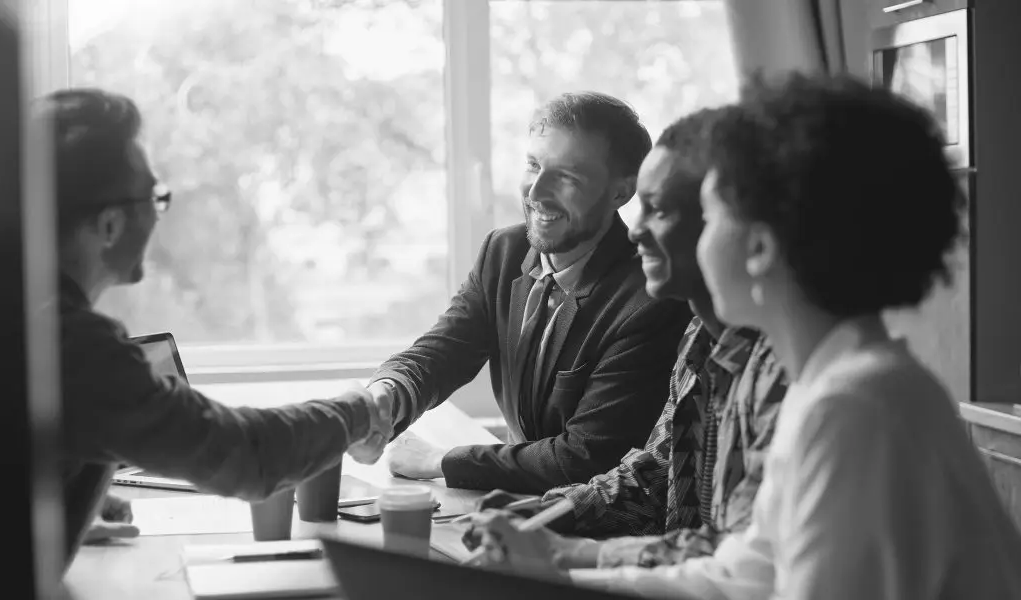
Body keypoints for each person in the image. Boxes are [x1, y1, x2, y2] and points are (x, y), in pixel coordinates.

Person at [484, 73, 1021, 598]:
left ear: (760, 248)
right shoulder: (837, 383)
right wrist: (558, 566)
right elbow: (748, 570)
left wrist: (559, 568)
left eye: (713, 214)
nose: (640, 231)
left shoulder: (853, 409)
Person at [44, 88, 392, 567]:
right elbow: (246, 455)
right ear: (108, 225)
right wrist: (356, 412)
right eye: (153, 198)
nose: (159, 213)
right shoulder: (77, 347)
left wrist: (50, 510)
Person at [467, 107, 787, 571]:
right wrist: (553, 512)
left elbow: (738, 561)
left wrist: (569, 553)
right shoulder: (701, 339)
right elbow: (656, 473)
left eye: (660, 211)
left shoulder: (783, 373)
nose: (635, 230)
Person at [370, 92, 690, 494]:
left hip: (587, 519)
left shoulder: (650, 300)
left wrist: (439, 461)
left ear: (620, 193)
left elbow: (586, 458)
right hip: (514, 506)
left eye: (567, 176)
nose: (537, 193)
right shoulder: (503, 251)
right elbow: (444, 351)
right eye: (533, 165)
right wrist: (383, 396)